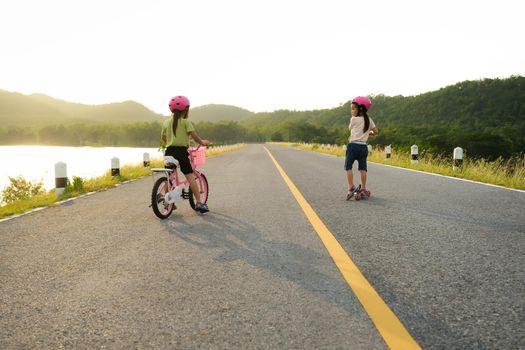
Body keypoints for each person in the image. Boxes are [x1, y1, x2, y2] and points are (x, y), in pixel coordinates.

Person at [160, 95, 212, 213]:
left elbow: (163, 138)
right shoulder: (186, 122)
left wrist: (171, 141)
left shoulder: (166, 122)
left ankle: (168, 202)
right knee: (190, 176)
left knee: (170, 178)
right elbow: (196, 137)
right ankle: (199, 202)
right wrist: (203, 142)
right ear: (186, 109)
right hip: (181, 153)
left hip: (169, 152)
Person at [345, 96, 378, 200]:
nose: (352, 111)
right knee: (363, 169)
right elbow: (375, 132)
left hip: (353, 146)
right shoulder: (369, 120)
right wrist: (368, 133)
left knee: (348, 167)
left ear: (361, 109)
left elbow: (350, 129)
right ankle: (363, 188)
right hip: (363, 147)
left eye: (353, 108)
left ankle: (351, 187)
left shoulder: (353, 119)